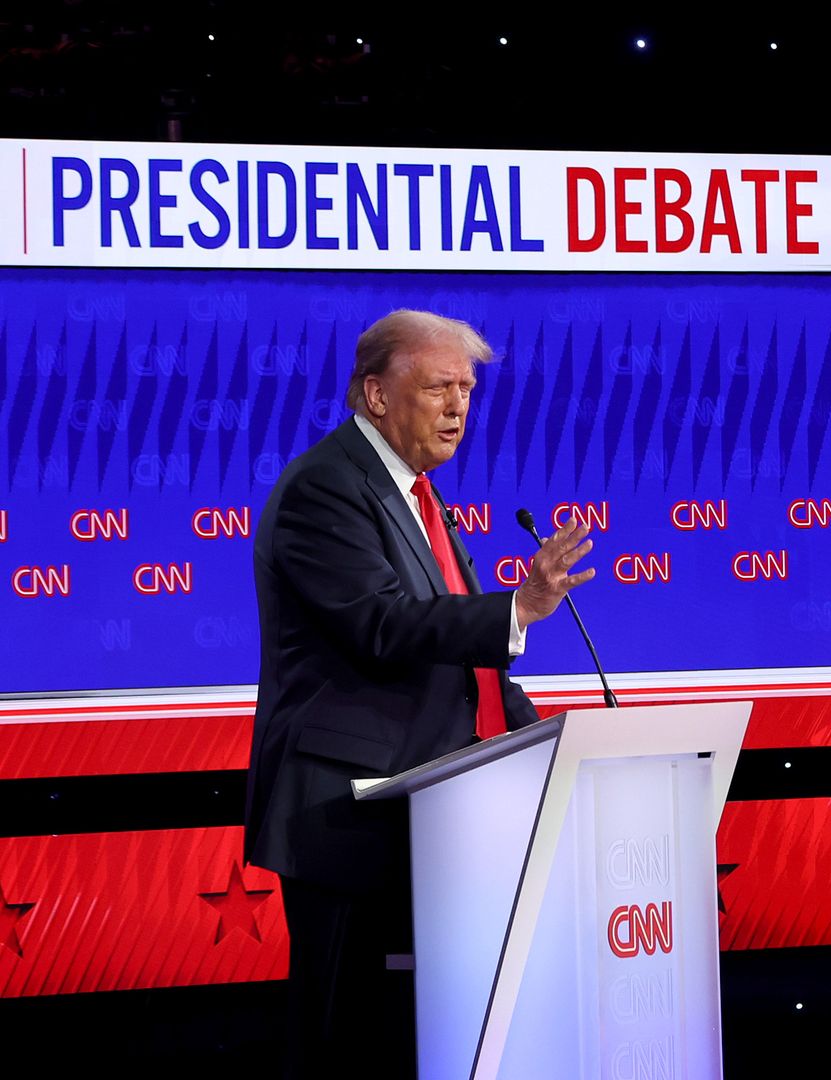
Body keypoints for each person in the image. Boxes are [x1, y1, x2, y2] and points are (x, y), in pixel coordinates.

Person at [243, 309, 595, 1076]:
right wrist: (514, 609)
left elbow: (466, 670)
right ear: (375, 394)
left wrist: (549, 741)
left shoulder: (416, 496)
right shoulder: (326, 489)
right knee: (347, 1047)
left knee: (421, 1044)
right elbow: (380, 625)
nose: (458, 405)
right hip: (349, 819)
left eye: (467, 388)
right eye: (440, 386)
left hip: (431, 822)